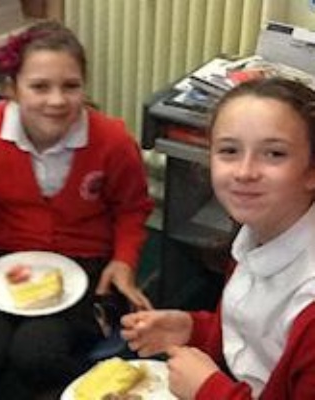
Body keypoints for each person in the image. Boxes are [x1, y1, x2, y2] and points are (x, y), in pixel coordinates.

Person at [0, 21, 154, 400]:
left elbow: (132, 208)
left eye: (70, 86)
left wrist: (124, 260)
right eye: (40, 86)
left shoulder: (112, 140)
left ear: (84, 86)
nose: (57, 100)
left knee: (37, 352)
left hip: (86, 268)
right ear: (12, 88)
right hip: (1, 263)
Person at [121, 77, 315, 399]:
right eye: (229, 151)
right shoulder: (255, 233)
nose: (245, 171)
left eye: (274, 153)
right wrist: (195, 329)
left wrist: (209, 390)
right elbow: (257, 338)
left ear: (311, 171)